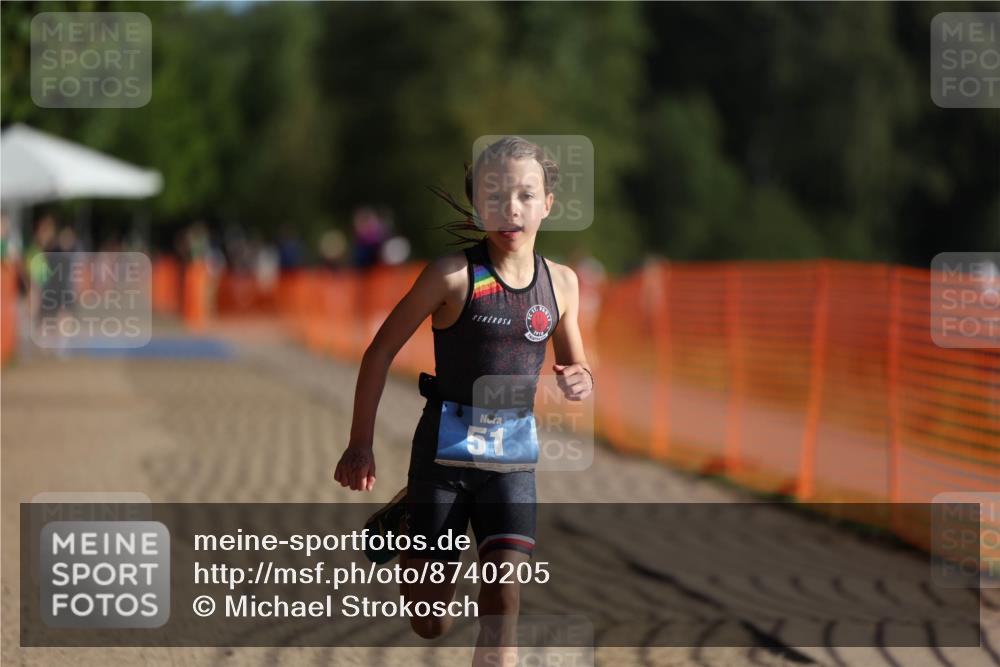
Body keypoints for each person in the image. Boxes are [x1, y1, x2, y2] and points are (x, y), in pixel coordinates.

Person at [334, 136, 594, 666]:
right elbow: (380, 351)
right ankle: (412, 515)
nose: (512, 209)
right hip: (443, 459)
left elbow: (575, 361)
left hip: (511, 461)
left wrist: (579, 379)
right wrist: (360, 445)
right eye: (497, 197)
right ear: (479, 205)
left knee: (503, 601)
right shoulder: (453, 276)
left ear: (548, 204)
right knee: (432, 620)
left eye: (526, 195)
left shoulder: (561, 284)